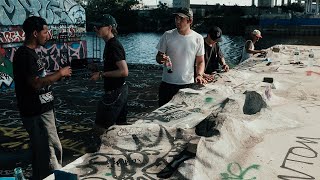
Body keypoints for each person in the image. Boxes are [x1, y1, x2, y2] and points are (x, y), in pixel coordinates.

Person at [12, 16, 72, 180]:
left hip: (42, 110)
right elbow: (35, 83)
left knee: (45, 151)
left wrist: (56, 76)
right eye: (45, 32)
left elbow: (39, 80)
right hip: (36, 113)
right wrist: (59, 73)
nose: (48, 35)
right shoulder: (25, 55)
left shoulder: (30, 53)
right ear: (35, 33)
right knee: (50, 152)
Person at [156, 7, 206, 107]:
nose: (177, 21)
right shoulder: (167, 35)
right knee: (162, 118)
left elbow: (200, 61)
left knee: (183, 117)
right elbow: (158, 57)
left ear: (190, 21)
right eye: (176, 18)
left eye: (181, 19)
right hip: (167, 84)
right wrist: (161, 59)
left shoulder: (198, 38)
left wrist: (199, 75)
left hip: (188, 85)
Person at [90, 14, 129, 131]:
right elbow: (114, 65)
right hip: (119, 90)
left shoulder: (114, 45)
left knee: (100, 127)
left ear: (110, 28)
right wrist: (99, 67)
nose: (96, 29)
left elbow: (124, 71)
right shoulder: (110, 44)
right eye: (95, 27)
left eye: (99, 26)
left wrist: (101, 74)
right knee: (120, 126)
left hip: (115, 93)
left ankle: (101, 148)